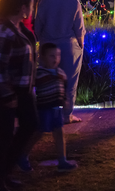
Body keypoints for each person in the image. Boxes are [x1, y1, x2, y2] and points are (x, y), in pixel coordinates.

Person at [0, 0, 38, 191]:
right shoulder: (3, 30)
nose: (32, 10)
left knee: (30, 125)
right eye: (30, 6)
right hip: (5, 89)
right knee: (4, 134)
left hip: (20, 88)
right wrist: (6, 94)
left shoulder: (17, 28)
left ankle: (3, 172)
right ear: (22, 8)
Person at [17, 43, 78, 173]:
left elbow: (64, 88)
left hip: (56, 109)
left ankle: (62, 160)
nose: (55, 58)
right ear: (43, 57)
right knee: (38, 133)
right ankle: (22, 155)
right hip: (43, 109)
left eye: (57, 55)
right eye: (51, 56)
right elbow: (31, 89)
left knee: (59, 133)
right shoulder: (38, 74)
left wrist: (65, 100)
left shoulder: (61, 73)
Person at [34, 0, 86, 125]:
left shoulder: (44, 1)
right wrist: (81, 46)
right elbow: (79, 29)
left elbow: (38, 27)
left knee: (47, 81)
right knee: (70, 83)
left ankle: (46, 114)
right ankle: (67, 115)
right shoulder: (74, 3)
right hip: (69, 47)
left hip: (48, 45)